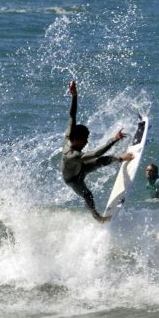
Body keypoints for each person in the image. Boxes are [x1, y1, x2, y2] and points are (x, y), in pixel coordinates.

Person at [61, 81, 133, 222]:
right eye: (85, 140)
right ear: (76, 140)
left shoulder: (70, 133)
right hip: (73, 179)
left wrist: (74, 95)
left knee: (103, 161)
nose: (87, 142)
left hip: (81, 167)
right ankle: (97, 217)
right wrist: (114, 139)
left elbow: (72, 115)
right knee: (88, 195)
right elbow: (94, 154)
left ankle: (120, 159)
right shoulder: (72, 155)